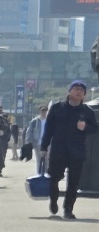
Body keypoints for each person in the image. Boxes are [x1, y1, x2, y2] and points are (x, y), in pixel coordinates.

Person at [41, 80, 97, 219]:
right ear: (69, 91)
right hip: (58, 150)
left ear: (84, 94)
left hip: (77, 152)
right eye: (76, 88)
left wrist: (85, 127)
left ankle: (68, 209)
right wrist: (43, 147)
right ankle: (53, 200)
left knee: (73, 183)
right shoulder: (57, 108)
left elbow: (95, 128)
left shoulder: (87, 111)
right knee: (54, 178)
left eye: (81, 90)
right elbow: (48, 129)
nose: (78, 91)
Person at [25, 105, 49, 178]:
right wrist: (29, 140)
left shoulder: (50, 120)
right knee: (39, 160)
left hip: (48, 143)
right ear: (39, 111)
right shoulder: (34, 121)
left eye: (45, 111)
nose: (43, 112)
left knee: (47, 160)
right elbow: (29, 131)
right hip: (37, 143)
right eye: (42, 111)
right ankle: (39, 174)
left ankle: (46, 175)